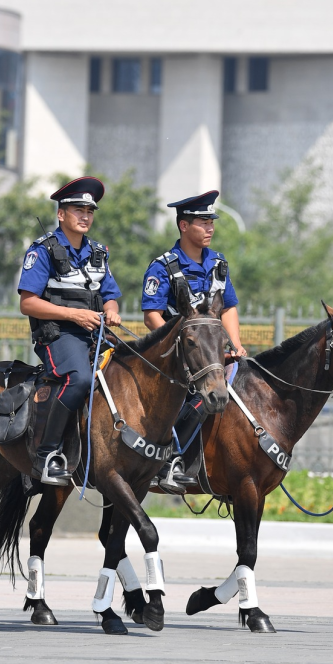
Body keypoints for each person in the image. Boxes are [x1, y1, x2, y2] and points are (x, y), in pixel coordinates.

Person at [18, 175, 122, 485]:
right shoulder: (43, 251)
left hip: (94, 334)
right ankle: (46, 454)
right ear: (61, 214)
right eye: (78, 210)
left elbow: (111, 294)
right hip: (58, 336)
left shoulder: (99, 253)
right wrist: (73, 315)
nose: (85, 216)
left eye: (89, 212)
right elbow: (28, 303)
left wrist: (112, 311)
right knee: (80, 380)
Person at [141, 189, 246, 491]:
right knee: (200, 397)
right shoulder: (163, 266)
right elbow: (152, 315)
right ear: (184, 226)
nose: (210, 228)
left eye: (211, 222)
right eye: (202, 222)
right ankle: (170, 461)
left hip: (212, 353)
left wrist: (235, 344)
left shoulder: (218, 263)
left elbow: (228, 307)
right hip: (178, 356)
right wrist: (177, 349)